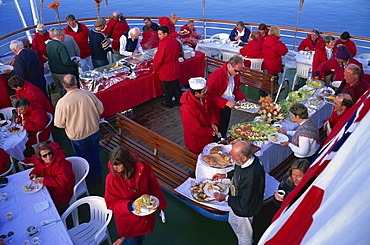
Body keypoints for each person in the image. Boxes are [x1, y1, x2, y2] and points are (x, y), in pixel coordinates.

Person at [104, 146, 167, 245]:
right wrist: (129, 206)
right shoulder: (111, 179)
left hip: (145, 218)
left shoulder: (143, 166)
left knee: (141, 239)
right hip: (128, 222)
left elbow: (153, 184)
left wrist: (161, 205)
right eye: (113, 165)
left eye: (118, 165)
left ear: (126, 162)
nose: (114, 168)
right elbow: (110, 203)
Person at [212, 141, 265, 245]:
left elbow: (245, 204)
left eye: (234, 156)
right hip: (236, 201)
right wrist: (225, 175)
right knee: (232, 221)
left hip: (245, 210)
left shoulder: (252, 177)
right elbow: (238, 171)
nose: (232, 159)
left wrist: (225, 198)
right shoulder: (244, 162)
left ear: (244, 158)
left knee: (244, 234)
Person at [54, 74, 104, 184]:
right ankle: (98, 174)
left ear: (63, 86)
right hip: (93, 130)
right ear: (76, 82)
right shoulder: (88, 94)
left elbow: (59, 124)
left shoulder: (62, 102)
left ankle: (89, 179)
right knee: (95, 153)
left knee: (83, 157)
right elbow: (101, 109)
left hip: (77, 136)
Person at [25, 142, 75, 214]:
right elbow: (39, 167)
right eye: (45, 155)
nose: (48, 157)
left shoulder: (61, 164)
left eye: (49, 153)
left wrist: (44, 180)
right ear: (40, 157)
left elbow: (62, 181)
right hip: (50, 185)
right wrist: (34, 173)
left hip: (62, 189)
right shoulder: (40, 161)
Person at [207, 55, 246, 138]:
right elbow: (210, 95)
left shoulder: (235, 75)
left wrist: (241, 98)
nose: (238, 73)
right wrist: (225, 102)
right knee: (217, 129)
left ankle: (223, 138)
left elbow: (236, 89)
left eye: (240, 70)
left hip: (227, 105)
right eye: (236, 70)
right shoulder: (216, 76)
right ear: (229, 66)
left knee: (224, 126)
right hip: (216, 107)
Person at [180, 77, 218, 154]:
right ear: (196, 93)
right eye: (203, 91)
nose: (206, 92)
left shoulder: (203, 98)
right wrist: (211, 131)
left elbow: (209, 109)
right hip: (197, 142)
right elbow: (195, 129)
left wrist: (212, 122)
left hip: (206, 136)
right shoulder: (187, 108)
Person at [153, 26, 182, 108]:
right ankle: (178, 101)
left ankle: (168, 103)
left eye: (160, 34)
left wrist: (155, 69)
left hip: (166, 69)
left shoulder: (163, 44)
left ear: (165, 34)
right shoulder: (175, 41)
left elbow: (159, 59)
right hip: (175, 66)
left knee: (166, 88)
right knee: (176, 86)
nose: (158, 36)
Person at [46, 28, 78, 96]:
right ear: (59, 36)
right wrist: (74, 62)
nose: (64, 37)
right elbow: (66, 61)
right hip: (62, 71)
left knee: (60, 89)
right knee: (69, 89)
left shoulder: (49, 44)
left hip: (54, 71)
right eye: (63, 35)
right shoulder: (61, 46)